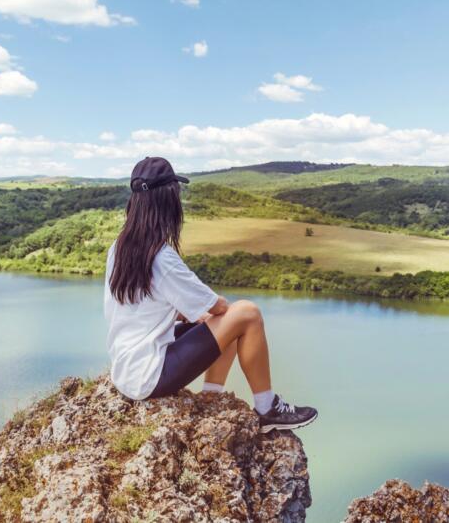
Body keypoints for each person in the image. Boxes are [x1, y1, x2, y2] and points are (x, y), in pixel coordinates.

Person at [104, 156, 317, 433]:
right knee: (245, 314)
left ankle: (211, 398)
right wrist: (209, 313)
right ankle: (267, 408)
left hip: (128, 370)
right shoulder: (160, 257)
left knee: (217, 322)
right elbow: (217, 306)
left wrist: (200, 315)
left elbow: (145, 306)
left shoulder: (118, 248)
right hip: (148, 377)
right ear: (169, 201)